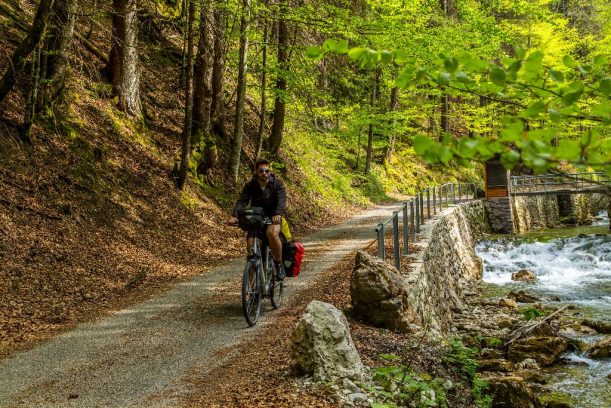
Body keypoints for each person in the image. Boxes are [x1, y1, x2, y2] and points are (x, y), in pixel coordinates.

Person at [229, 159, 287, 280]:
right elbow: (242, 201)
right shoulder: (250, 186)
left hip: (272, 217)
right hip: (256, 218)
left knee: (271, 233)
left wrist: (278, 213)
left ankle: (278, 264)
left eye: (267, 171)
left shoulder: (277, 184)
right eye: (261, 171)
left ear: (270, 172)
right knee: (251, 251)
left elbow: (281, 200)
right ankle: (251, 290)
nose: (264, 173)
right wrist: (235, 215)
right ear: (256, 172)